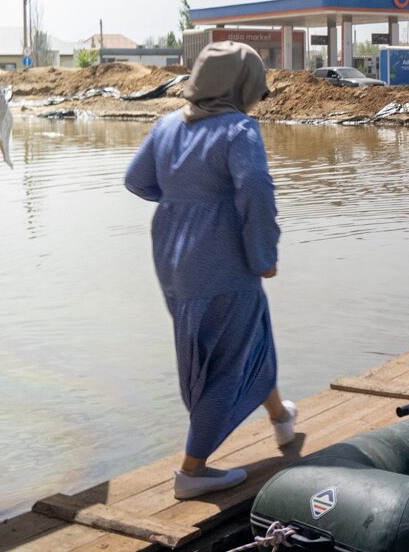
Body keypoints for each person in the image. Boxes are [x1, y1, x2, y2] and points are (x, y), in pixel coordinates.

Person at [124, 42, 297, 500]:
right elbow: (256, 191)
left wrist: (185, 203)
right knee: (225, 361)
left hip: (173, 262)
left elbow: (136, 180)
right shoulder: (239, 131)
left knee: (246, 336)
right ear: (239, 87)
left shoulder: (164, 127)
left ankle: (280, 419)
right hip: (222, 260)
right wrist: (263, 254)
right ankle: (192, 470)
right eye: (254, 87)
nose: (258, 97)